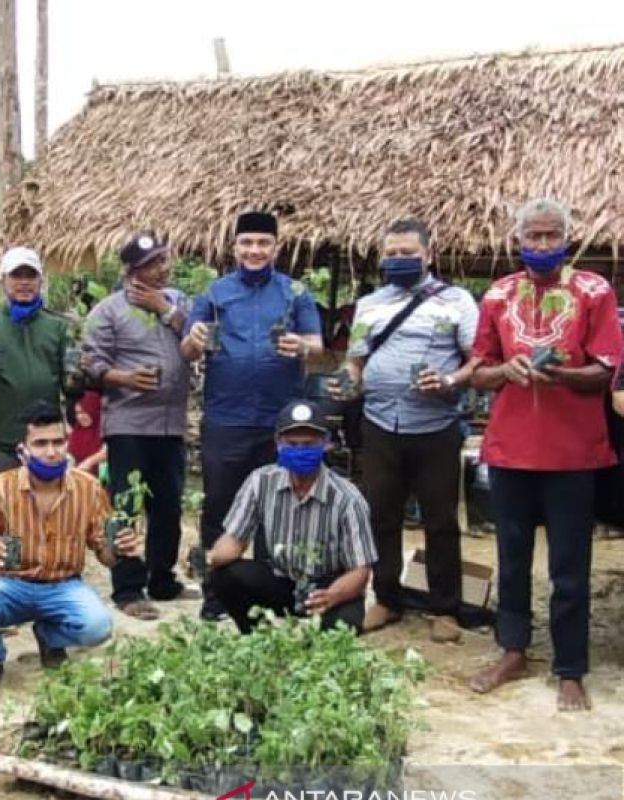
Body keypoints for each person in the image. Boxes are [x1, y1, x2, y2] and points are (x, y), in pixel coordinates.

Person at [466, 198, 622, 712]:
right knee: (511, 560)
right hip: (510, 449)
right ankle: (512, 651)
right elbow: (479, 369)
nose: (541, 245)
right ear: (518, 240)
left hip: (574, 453)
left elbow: (605, 372)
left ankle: (570, 669)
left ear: (567, 239)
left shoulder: (594, 292)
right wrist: (504, 372)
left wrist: (559, 374)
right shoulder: (497, 294)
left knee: (570, 566)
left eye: (551, 236)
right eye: (532, 236)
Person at [332, 219, 480, 643]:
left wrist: (450, 380)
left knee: (440, 521)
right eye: (392, 254)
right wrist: (346, 380)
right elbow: (356, 361)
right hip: (380, 426)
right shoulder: (371, 305)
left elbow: (478, 362)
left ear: (428, 255)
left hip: (436, 428)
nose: (399, 260)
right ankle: (387, 599)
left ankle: (445, 608)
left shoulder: (456, 302)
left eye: (407, 253)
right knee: (381, 517)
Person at [182, 211, 324, 619]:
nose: (255, 250)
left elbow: (317, 345)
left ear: (276, 248)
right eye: (247, 243)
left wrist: (301, 346)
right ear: (235, 248)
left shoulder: (296, 293)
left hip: (281, 423)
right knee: (220, 508)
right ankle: (216, 596)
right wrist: (193, 340)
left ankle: (272, 597)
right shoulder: (214, 293)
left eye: (263, 243)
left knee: (278, 508)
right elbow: (187, 351)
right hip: (226, 419)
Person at [0, 403, 142, 692]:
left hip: (63, 585)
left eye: (58, 442)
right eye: (40, 444)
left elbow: (106, 557)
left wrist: (120, 548)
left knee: (98, 627)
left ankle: (50, 637)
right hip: (9, 584)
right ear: (22, 450)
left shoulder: (88, 489)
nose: (52, 452)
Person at [84, 232, 194, 619]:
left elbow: (199, 340)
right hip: (128, 425)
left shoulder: (180, 302)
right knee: (127, 505)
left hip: (171, 425)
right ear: (132, 271)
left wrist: (165, 308)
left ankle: (162, 579)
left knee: (167, 505)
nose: (162, 269)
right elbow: (91, 366)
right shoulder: (107, 311)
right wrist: (124, 378)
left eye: (164, 261)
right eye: (152, 264)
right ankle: (128, 588)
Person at [203, 400, 377, 633]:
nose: (300, 451)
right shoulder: (260, 481)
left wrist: (332, 596)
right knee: (225, 576)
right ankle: (256, 637)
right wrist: (211, 556)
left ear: (325, 444)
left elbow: (360, 571)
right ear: (278, 443)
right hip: (281, 579)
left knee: (343, 628)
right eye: (292, 444)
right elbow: (235, 539)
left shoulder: (348, 498)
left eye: (308, 444)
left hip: (328, 583)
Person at [0, 247, 73, 479]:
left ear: (40, 280)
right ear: (3, 282)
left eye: (30, 276)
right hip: (1, 439)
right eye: (16, 276)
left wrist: (79, 371)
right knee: (1, 506)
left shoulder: (59, 327)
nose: (24, 282)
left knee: (49, 504)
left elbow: (72, 387)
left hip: (47, 439)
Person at [66, 390, 106, 476]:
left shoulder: (105, 431)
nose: (80, 417)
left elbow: (106, 452)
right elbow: (70, 455)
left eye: (85, 412)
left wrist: (89, 461)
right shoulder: (76, 433)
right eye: (77, 413)